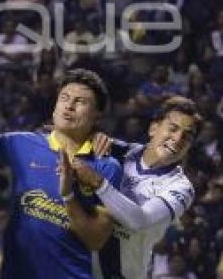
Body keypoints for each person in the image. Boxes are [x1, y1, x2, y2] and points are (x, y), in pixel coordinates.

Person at [0, 68, 122, 279]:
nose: (69, 105)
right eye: (64, 98)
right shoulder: (21, 142)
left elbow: (95, 239)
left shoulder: (107, 166)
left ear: (97, 114)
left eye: (80, 102)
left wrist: (68, 195)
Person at [72, 96, 200, 278]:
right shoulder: (118, 152)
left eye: (187, 137)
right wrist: (83, 135)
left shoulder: (181, 188)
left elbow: (140, 220)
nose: (178, 139)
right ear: (153, 128)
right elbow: (69, 137)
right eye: (173, 129)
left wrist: (97, 182)